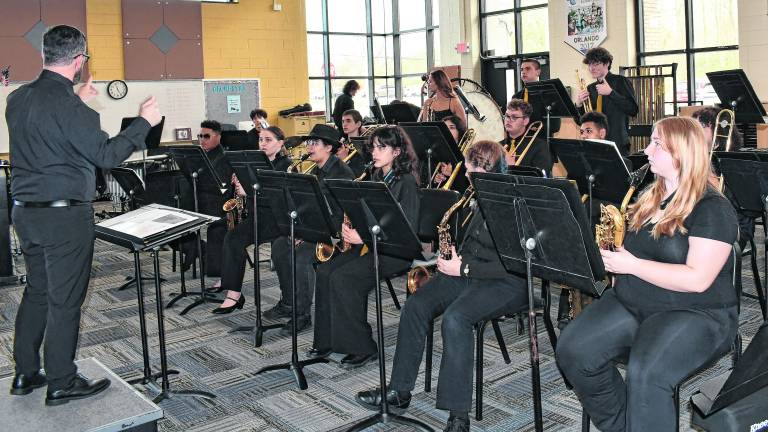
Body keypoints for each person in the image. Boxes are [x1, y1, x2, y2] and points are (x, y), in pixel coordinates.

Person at [6, 24, 162, 405]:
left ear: (45, 54)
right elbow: (107, 156)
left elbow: (51, 119)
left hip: (25, 213)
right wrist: (145, 121)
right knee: (65, 300)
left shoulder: (17, 98)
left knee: (38, 291)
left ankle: (25, 373)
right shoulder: (75, 111)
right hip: (64, 219)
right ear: (79, 60)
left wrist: (78, 96)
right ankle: (61, 380)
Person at [556, 116, 740, 432]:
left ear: (682, 153)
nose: (647, 150)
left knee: (647, 375)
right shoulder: (650, 197)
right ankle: (623, 426)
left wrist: (632, 266)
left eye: (657, 144)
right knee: (574, 351)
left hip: (696, 312)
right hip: (635, 300)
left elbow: (697, 279)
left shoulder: (713, 208)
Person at [355, 140, 528, 432]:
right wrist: (454, 258)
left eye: (470, 171)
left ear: (484, 171)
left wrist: (464, 266)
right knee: (416, 304)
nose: (466, 177)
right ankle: (399, 391)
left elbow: (517, 264)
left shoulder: (510, 203)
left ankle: (458, 415)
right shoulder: (474, 195)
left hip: (505, 281)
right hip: (467, 272)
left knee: (456, 318)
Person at [309, 125, 420, 369]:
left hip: (394, 251)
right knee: (326, 271)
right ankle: (328, 340)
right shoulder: (376, 175)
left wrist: (365, 236)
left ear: (397, 152)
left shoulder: (406, 183)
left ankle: (363, 347)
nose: (374, 153)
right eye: (373, 147)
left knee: (345, 278)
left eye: (382, 148)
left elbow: (404, 232)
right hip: (371, 245)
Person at [263, 124, 355, 335]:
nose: (309, 147)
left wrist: (307, 234)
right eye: (309, 143)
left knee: (302, 258)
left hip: (333, 236)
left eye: (314, 143)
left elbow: (337, 214)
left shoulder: (341, 173)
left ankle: (302, 314)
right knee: (279, 247)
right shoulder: (316, 169)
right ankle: (288, 303)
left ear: (329, 148)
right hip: (314, 229)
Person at [212, 126, 293, 314]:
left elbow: (279, 198)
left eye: (268, 140)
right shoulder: (254, 162)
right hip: (258, 216)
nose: (262, 143)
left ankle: (288, 299)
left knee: (280, 252)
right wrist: (239, 186)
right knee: (232, 238)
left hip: (278, 219)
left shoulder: (286, 165)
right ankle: (234, 294)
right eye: (261, 140)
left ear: (280, 143)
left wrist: (248, 192)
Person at [692, 106, 752, 250]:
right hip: (696, 226)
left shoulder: (733, 169)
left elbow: (742, 220)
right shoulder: (688, 162)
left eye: (702, 126)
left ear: (718, 138)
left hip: (728, 229)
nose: (694, 131)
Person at [575, 47, 638, 155]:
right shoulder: (590, 88)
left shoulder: (621, 81)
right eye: (589, 64)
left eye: (595, 64)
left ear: (607, 63)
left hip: (617, 142)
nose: (591, 68)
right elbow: (582, 121)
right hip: (595, 143)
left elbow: (633, 110)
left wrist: (611, 93)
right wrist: (578, 104)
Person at [501, 98, 553, 175]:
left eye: (514, 117)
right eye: (507, 116)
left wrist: (511, 168)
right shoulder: (499, 145)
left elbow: (539, 180)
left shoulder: (539, 147)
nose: (508, 120)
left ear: (525, 121)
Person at [513, 58, 560, 137]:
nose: (523, 72)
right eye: (522, 70)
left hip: (541, 141)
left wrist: (532, 127)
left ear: (538, 72)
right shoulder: (516, 97)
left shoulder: (549, 95)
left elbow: (555, 126)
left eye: (528, 69)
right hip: (520, 140)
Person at [338, 109, 367, 178]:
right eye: (343, 121)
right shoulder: (343, 143)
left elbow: (358, 175)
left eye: (348, 121)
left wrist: (345, 159)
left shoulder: (363, 146)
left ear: (358, 124)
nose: (344, 124)